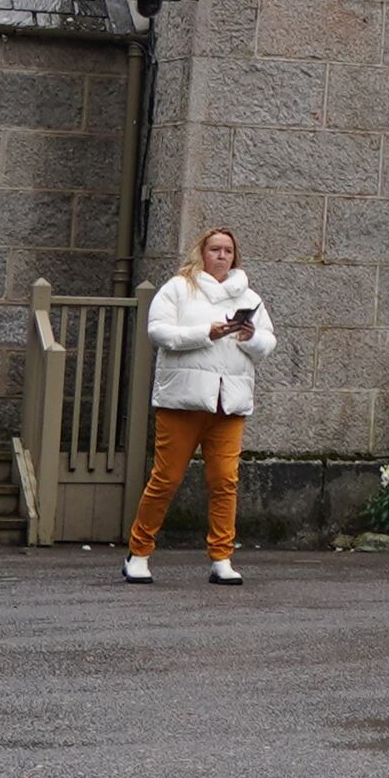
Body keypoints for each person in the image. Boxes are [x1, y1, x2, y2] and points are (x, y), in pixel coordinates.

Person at [126, 225, 274, 585]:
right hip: (183, 401)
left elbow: (268, 342)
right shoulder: (179, 288)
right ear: (202, 253)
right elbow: (158, 332)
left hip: (229, 404)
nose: (221, 256)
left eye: (227, 250)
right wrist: (205, 333)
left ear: (234, 256)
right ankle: (139, 551)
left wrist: (249, 336)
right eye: (214, 249)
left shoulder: (248, 295)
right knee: (166, 479)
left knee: (225, 481)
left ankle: (222, 557)